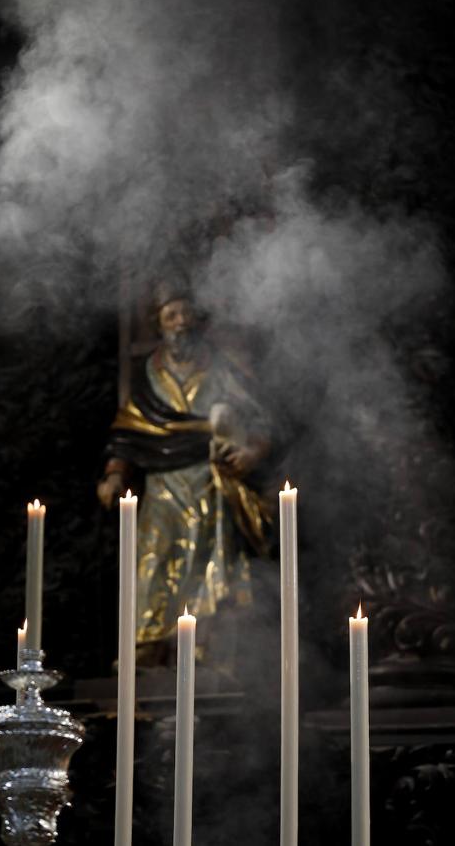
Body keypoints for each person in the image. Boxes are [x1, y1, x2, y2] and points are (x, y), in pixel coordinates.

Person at [97, 277, 272, 666]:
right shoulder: (148, 375)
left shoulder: (220, 368)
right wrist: (114, 474)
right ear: (159, 324)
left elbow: (261, 419)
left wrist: (250, 454)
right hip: (162, 484)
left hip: (211, 477)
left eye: (186, 313)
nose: (180, 322)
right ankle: (147, 642)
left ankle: (206, 644)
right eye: (171, 315)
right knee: (153, 556)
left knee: (213, 557)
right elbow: (128, 430)